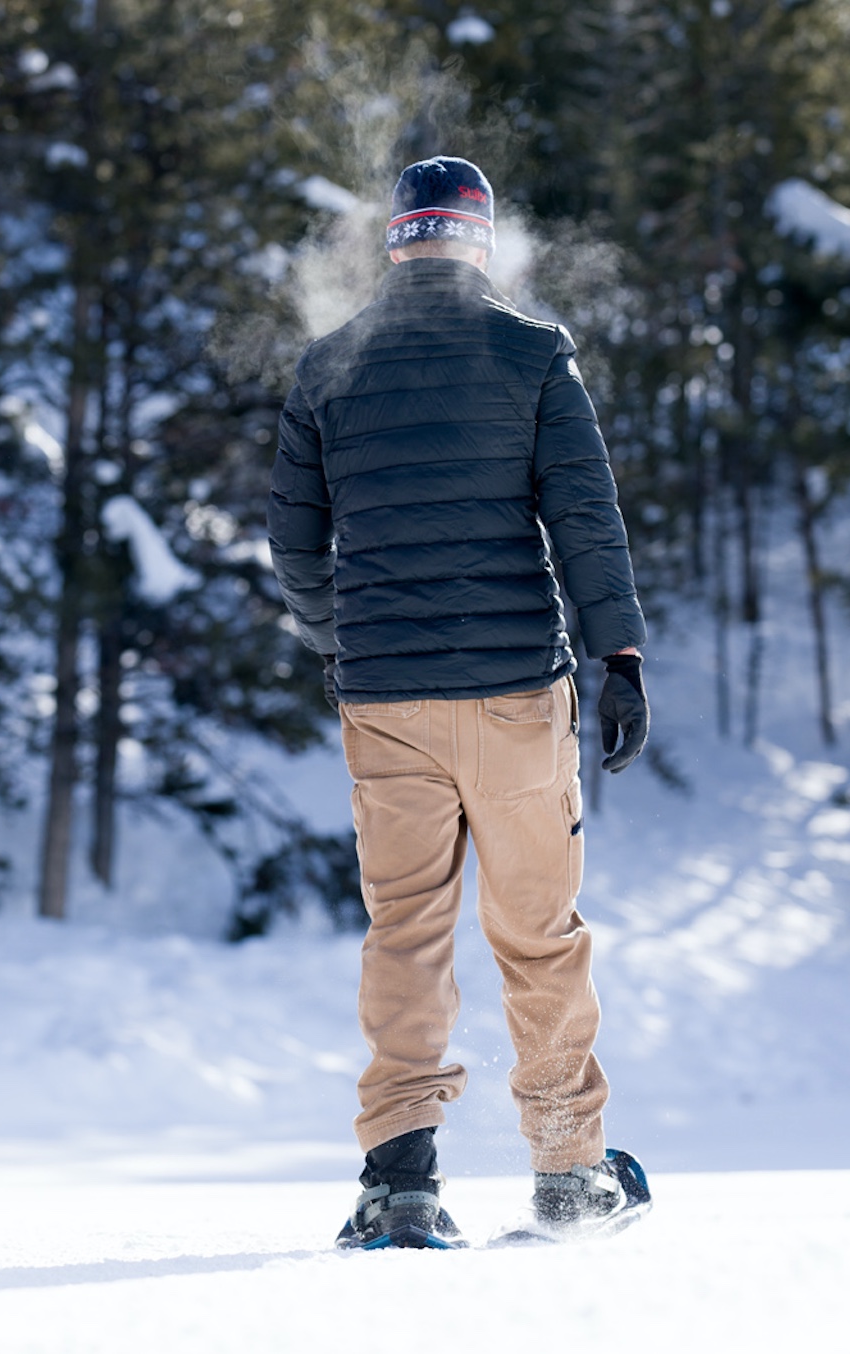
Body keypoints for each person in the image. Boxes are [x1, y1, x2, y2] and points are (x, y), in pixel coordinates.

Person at [268, 157, 654, 1249]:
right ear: (480, 241)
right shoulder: (533, 354)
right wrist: (618, 657)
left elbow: (295, 543)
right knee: (538, 934)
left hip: (385, 700)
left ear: (396, 242)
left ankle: (400, 1178)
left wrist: (346, 638)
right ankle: (570, 1170)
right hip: (516, 699)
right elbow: (586, 519)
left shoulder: (329, 363)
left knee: (406, 933)